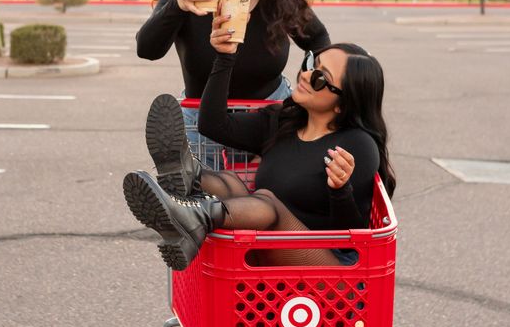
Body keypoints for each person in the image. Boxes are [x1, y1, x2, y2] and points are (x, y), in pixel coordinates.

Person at [123, 24, 396, 274]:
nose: (306, 74)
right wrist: (226, 56)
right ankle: (188, 177)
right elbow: (213, 124)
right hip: (273, 254)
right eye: (311, 63)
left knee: (267, 201)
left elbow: (353, 234)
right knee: (231, 181)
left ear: (342, 103)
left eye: (320, 78)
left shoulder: (356, 145)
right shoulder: (283, 122)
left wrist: (340, 191)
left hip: (331, 271)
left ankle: (194, 218)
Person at [135, 0, 331, 168]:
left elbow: (319, 42)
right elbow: (147, 49)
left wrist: (308, 90)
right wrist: (177, 5)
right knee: (203, 204)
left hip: (265, 119)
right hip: (201, 120)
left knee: (261, 200)